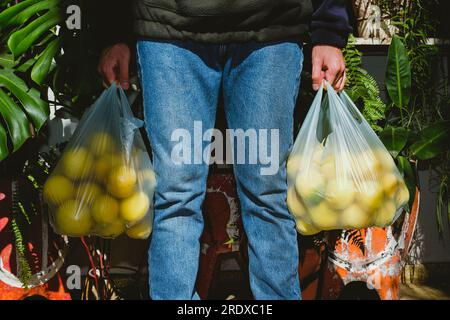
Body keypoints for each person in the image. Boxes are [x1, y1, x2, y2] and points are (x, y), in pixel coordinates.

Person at [97, 0, 351, 300]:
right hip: (167, 26)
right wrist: (112, 31)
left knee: (266, 193)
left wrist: (328, 31)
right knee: (176, 195)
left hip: (270, 27)